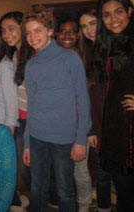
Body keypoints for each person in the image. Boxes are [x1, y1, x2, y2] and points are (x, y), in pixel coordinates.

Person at [22, 9, 91, 212]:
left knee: (65, 191)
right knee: (37, 188)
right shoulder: (31, 65)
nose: (32, 37)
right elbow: (31, 105)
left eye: (38, 31)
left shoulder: (70, 58)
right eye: (28, 33)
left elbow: (83, 100)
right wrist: (27, 142)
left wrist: (80, 140)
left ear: (50, 30)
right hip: (36, 137)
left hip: (64, 139)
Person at [93, 0, 134, 211]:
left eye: (118, 11)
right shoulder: (107, 45)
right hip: (115, 129)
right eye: (107, 14)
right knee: (124, 193)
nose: (113, 19)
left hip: (131, 129)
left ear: (129, 11)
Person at [56, 17, 93, 212]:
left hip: (79, 124)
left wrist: (89, 130)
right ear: (56, 34)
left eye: (72, 31)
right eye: (63, 31)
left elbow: (90, 97)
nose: (67, 35)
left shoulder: (86, 59)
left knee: (80, 170)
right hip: (58, 125)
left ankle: (85, 205)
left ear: (78, 35)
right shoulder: (51, 57)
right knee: (63, 171)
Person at [79, 8, 113, 212]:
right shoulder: (86, 56)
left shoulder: (116, 49)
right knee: (101, 174)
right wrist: (90, 130)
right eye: (84, 26)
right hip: (98, 124)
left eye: (92, 23)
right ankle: (103, 207)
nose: (88, 30)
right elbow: (86, 98)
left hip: (120, 123)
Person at [0, 11, 34, 209]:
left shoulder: (33, 55)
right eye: (3, 30)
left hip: (33, 119)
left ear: (22, 28)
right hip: (20, 118)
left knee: (32, 167)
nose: (6, 34)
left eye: (11, 28)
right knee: (24, 166)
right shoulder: (14, 54)